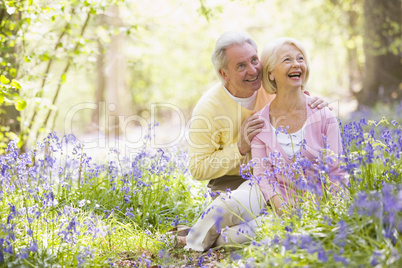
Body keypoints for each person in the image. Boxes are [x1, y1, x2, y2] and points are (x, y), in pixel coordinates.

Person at [175, 32, 329, 251]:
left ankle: (208, 236)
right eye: (241, 66)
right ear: (223, 73)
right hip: (233, 181)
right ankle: (194, 241)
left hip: (281, 177)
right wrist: (239, 148)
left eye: (254, 60)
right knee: (229, 207)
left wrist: (315, 104)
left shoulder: (270, 86)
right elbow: (198, 168)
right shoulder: (207, 109)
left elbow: (297, 96)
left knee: (259, 228)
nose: (253, 70)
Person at [251, 37, 348, 215]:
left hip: (322, 212)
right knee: (235, 235)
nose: (296, 64)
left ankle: (192, 237)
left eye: (300, 59)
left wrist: (332, 213)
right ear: (270, 73)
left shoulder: (324, 115)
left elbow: (337, 171)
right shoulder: (260, 124)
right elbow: (263, 177)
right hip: (280, 213)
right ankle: (192, 238)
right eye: (287, 59)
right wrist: (286, 212)